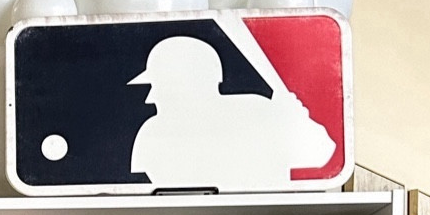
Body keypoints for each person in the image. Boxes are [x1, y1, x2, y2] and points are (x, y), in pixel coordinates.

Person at [128, 36, 335, 189]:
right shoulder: (155, 133)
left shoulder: (259, 112)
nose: (151, 97)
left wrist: (296, 122)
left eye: (160, 85)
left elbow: (323, 153)